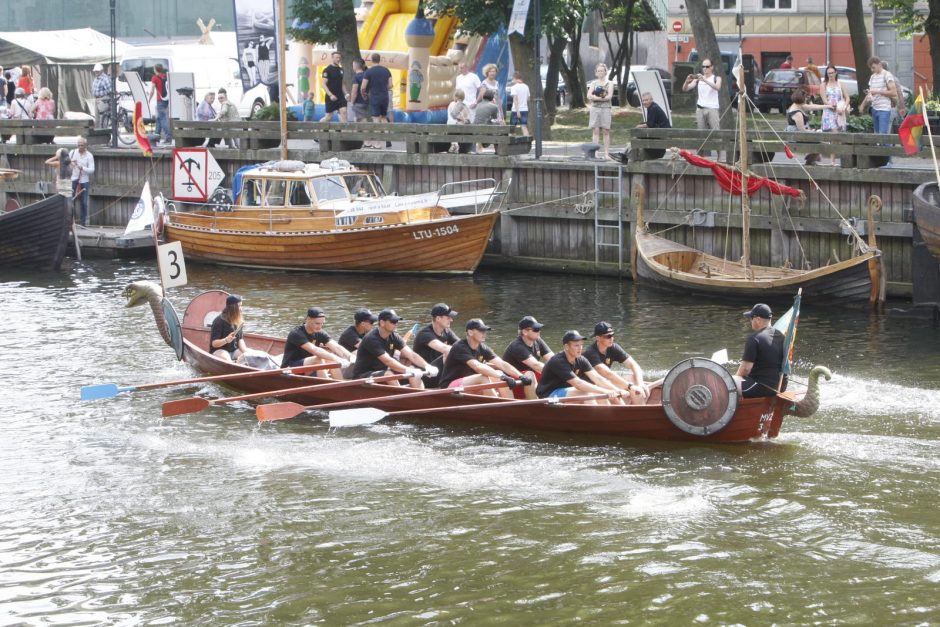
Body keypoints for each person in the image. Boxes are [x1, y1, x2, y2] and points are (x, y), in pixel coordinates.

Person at [438, 319, 526, 399]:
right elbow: (477, 366)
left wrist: (520, 376)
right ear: (470, 332)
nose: (484, 333)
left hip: (468, 385)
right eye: (481, 331)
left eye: (485, 331)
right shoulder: (460, 347)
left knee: (499, 373)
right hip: (449, 388)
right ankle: (498, 408)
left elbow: (502, 364)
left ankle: (510, 406)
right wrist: (503, 377)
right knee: (483, 378)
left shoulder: (482, 347)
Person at [352, 309, 436, 389]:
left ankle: (421, 398)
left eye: (396, 321)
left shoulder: (393, 336)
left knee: (413, 370)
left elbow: (411, 355)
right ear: (382, 323)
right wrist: (407, 369)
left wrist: (427, 366)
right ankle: (401, 399)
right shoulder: (371, 339)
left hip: (381, 372)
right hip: (362, 376)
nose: (396, 324)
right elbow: (388, 361)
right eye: (393, 322)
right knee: (389, 374)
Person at [535, 331, 625, 405]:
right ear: (566, 347)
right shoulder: (558, 361)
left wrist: (616, 390)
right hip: (548, 396)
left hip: (567, 392)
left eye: (581, 345)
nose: (580, 348)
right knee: (587, 393)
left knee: (598, 392)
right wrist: (605, 391)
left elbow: (598, 379)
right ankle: (599, 422)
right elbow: (578, 384)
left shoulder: (581, 359)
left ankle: (609, 418)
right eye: (576, 345)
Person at [582, 322, 649, 404]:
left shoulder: (613, 347)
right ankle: (625, 412)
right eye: (608, 336)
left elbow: (633, 365)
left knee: (633, 378)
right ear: (598, 338)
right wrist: (630, 386)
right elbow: (607, 373)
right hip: (591, 387)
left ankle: (640, 409)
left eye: (612, 335)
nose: (611, 338)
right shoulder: (590, 352)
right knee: (617, 395)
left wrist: (640, 384)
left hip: (605, 383)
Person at [280, 307, 352, 378]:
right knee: (319, 359)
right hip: (289, 368)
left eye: (322, 324)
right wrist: (336, 358)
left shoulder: (319, 332)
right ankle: (326, 386)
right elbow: (315, 350)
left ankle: (340, 385)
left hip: (308, 367)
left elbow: (336, 347)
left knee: (331, 360)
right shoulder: (296, 333)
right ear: (308, 319)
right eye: (317, 323)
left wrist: (350, 356)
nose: (320, 327)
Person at [734, 303, 786, 398]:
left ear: (757, 319)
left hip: (762, 388)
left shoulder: (754, 338)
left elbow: (745, 369)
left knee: (728, 382)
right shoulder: (781, 336)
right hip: (781, 386)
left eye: (751, 318)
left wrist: (735, 379)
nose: (750, 321)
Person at [501, 316, 553, 400]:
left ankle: (553, 399)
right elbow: (535, 365)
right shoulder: (517, 346)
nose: (539, 331)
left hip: (527, 382)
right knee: (530, 374)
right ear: (525, 332)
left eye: (539, 329)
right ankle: (535, 407)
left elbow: (553, 359)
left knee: (551, 370)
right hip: (512, 384)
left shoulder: (538, 340)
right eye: (535, 329)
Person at [413, 303, 460, 387]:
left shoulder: (447, 331)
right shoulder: (425, 334)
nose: (451, 320)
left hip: (439, 373)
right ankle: (447, 386)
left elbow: (461, 345)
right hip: (426, 375)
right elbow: (445, 348)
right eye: (448, 317)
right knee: (449, 353)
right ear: (438, 318)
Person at [784, 90, 833, 166]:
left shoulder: (797, 105)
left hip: (796, 134)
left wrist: (828, 106)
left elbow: (812, 107)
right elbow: (802, 131)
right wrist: (813, 132)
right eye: (806, 98)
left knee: (820, 139)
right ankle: (810, 161)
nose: (807, 99)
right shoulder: (797, 113)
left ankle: (810, 158)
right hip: (796, 137)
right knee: (822, 142)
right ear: (802, 99)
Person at [864, 56, 902, 136]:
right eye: (871, 68)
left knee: (882, 135)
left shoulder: (887, 75)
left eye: (873, 67)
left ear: (879, 64)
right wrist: (869, 95)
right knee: (877, 135)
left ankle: (887, 148)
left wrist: (877, 92)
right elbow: (872, 91)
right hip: (874, 107)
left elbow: (894, 92)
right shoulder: (872, 77)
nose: (872, 70)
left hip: (884, 109)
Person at [361, 53, 392, 148]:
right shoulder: (386, 70)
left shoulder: (368, 72)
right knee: (383, 117)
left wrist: (364, 95)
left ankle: (377, 144)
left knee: (376, 120)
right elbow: (390, 85)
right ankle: (388, 138)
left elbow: (363, 87)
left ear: (371, 60)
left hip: (374, 97)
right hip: (385, 97)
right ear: (380, 60)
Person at [820, 64, 850, 165]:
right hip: (829, 112)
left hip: (840, 112)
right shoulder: (824, 84)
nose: (830, 75)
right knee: (835, 135)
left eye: (832, 73)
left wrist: (844, 107)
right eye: (828, 73)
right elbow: (824, 100)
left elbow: (847, 98)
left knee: (838, 138)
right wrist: (832, 106)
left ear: (836, 73)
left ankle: (836, 159)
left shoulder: (840, 84)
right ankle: (832, 160)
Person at [682, 58, 721, 131]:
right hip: (700, 109)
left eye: (707, 67)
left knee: (715, 132)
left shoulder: (716, 78)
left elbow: (717, 87)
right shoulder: (698, 79)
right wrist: (686, 82)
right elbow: (685, 89)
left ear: (712, 67)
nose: (705, 69)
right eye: (703, 67)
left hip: (712, 108)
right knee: (701, 133)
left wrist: (705, 80)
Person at [210, 294, 249, 362]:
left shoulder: (239, 320)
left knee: (250, 357)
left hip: (234, 351)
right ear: (233, 308)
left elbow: (240, 339)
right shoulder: (218, 321)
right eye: (239, 306)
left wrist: (246, 353)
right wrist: (226, 340)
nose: (241, 309)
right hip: (219, 350)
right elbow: (214, 344)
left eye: (241, 306)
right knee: (227, 361)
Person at [587, 63, 613, 159]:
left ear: (605, 72)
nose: (600, 72)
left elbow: (609, 97)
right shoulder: (593, 83)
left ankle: (606, 153)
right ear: (596, 73)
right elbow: (589, 95)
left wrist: (595, 98)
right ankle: (595, 153)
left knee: (606, 130)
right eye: (598, 71)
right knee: (595, 130)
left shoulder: (609, 83)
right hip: (595, 109)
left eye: (602, 70)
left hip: (606, 109)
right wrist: (600, 97)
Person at [69, 137, 95, 226]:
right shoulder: (72, 153)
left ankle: (83, 223)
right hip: (73, 179)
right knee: (71, 201)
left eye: (82, 145)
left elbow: (92, 169)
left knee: (84, 202)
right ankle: (70, 221)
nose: (80, 147)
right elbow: (66, 163)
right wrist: (71, 163)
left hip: (84, 180)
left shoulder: (89, 155)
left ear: (85, 146)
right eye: (78, 145)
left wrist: (82, 168)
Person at [321, 51, 348, 123]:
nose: (338, 59)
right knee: (328, 117)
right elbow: (323, 84)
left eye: (339, 58)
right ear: (332, 58)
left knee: (344, 112)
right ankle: (318, 127)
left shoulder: (341, 70)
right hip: (331, 97)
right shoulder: (327, 70)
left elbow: (342, 84)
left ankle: (344, 133)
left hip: (341, 97)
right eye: (336, 58)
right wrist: (330, 95)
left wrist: (346, 93)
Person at [150, 63, 172, 145]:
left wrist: (149, 99)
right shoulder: (165, 76)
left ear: (155, 69)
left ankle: (168, 138)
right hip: (166, 99)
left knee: (163, 119)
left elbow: (152, 90)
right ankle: (156, 137)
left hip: (160, 100)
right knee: (159, 118)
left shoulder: (154, 78)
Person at [446, 88, 471, 153]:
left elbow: (451, 115)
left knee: (451, 128)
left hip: (452, 125)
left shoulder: (452, 104)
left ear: (455, 97)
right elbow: (467, 118)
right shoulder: (465, 106)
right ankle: (456, 145)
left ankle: (454, 144)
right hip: (461, 126)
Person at [508, 71, 530, 137]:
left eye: (513, 79)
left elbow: (515, 99)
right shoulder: (526, 86)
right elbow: (528, 98)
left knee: (512, 127)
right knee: (524, 126)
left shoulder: (514, 87)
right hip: (525, 109)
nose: (512, 80)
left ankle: (509, 143)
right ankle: (527, 141)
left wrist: (518, 111)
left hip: (515, 110)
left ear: (515, 78)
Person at [92, 63, 112, 129]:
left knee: (103, 119)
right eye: (95, 71)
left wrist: (101, 97)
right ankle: (98, 135)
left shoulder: (105, 79)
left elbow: (110, 91)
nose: (96, 72)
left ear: (101, 70)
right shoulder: (96, 78)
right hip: (97, 100)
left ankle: (104, 134)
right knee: (97, 119)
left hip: (103, 100)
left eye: (97, 71)